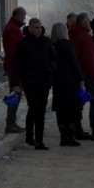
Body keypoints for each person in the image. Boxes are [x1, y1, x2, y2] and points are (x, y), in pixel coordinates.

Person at [10, 18, 57, 150]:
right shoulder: (23, 44)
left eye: (40, 27)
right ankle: (30, 136)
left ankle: (39, 140)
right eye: (36, 27)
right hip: (30, 81)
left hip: (44, 81)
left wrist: (51, 67)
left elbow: (54, 57)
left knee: (41, 110)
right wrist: (16, 84)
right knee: (34, 107)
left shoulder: (46, 41)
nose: (38, 30)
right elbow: (17, 66)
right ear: (30, 28)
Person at [69, 12, 94, 140]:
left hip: (76, 75)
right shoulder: (85, 37)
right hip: (87, 75)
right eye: (88, 21)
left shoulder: (72, 34)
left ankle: (77, 129)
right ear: (84, 23)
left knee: (79, 103)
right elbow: (89, 58)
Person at [50, 22, 83, 147]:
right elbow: (74, 63)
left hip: (57, 81)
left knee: (61, 110)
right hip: (69, 80)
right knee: (72, 110)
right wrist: (80, 79)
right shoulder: (68, 44)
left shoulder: (51, 45)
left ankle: (63, 137)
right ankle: (71, 136)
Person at [2, 7, 26, 134]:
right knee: (15, 94)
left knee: (16, 94)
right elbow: (15, 51)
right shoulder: (12, 29)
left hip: (13, 66)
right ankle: (10, 123)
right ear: (18, 16)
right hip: (14, 67)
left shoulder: (13, 28)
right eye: (23, 16)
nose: (24, 19)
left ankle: (11, 122)